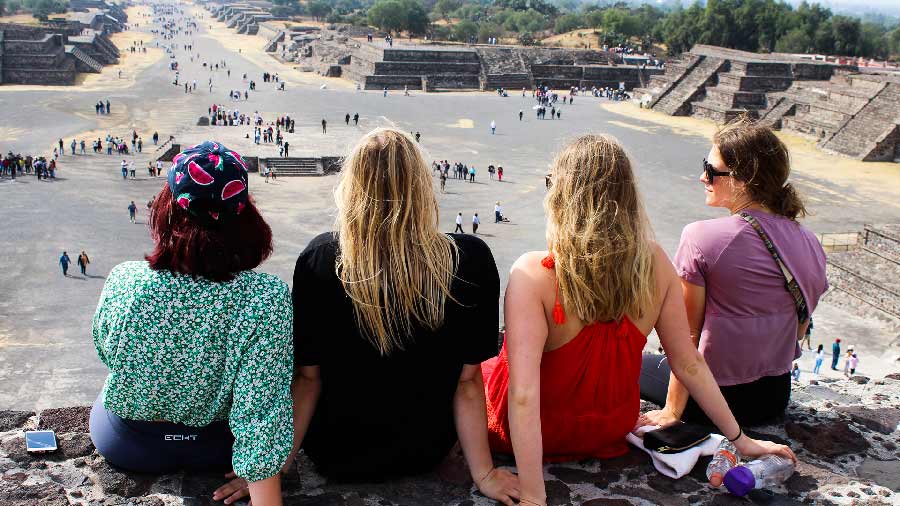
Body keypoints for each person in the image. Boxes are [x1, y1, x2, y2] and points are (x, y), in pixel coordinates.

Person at [482, 135, 796, 506]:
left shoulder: (533, 273)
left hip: (533, 429)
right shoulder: (655, 264)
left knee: (472, 373)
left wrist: (535, 495)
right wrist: (741, 439)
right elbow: (688, 361)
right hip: (608, 427)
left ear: (562, 195)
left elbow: (522, 395)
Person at [216, 129, 519, 505]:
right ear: (423, 186)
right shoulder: (469, 260)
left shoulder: (322, 260)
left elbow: (308, 381)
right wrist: (485, 474)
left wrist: (270, 471)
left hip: (336, 454)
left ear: (353, 186)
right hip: (424, 449)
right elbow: (468, 384)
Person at [90, 142, 291, 506]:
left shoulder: (125, 281)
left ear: (168, 207)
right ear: (244, 214)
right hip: (216, 448)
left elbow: (108, 353)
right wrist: (262, 485)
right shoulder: (266, 297)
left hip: (128, 442)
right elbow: (260, 406)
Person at [640, 118, 828, 427]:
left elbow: (688, 336)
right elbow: (800, 328)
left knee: (631, 366)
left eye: (712, 170)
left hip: (712, 401)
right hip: (775, 397)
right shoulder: (809, 241)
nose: (703, 177)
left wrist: (672, 411)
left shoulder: (701, 237)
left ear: (742, 180)